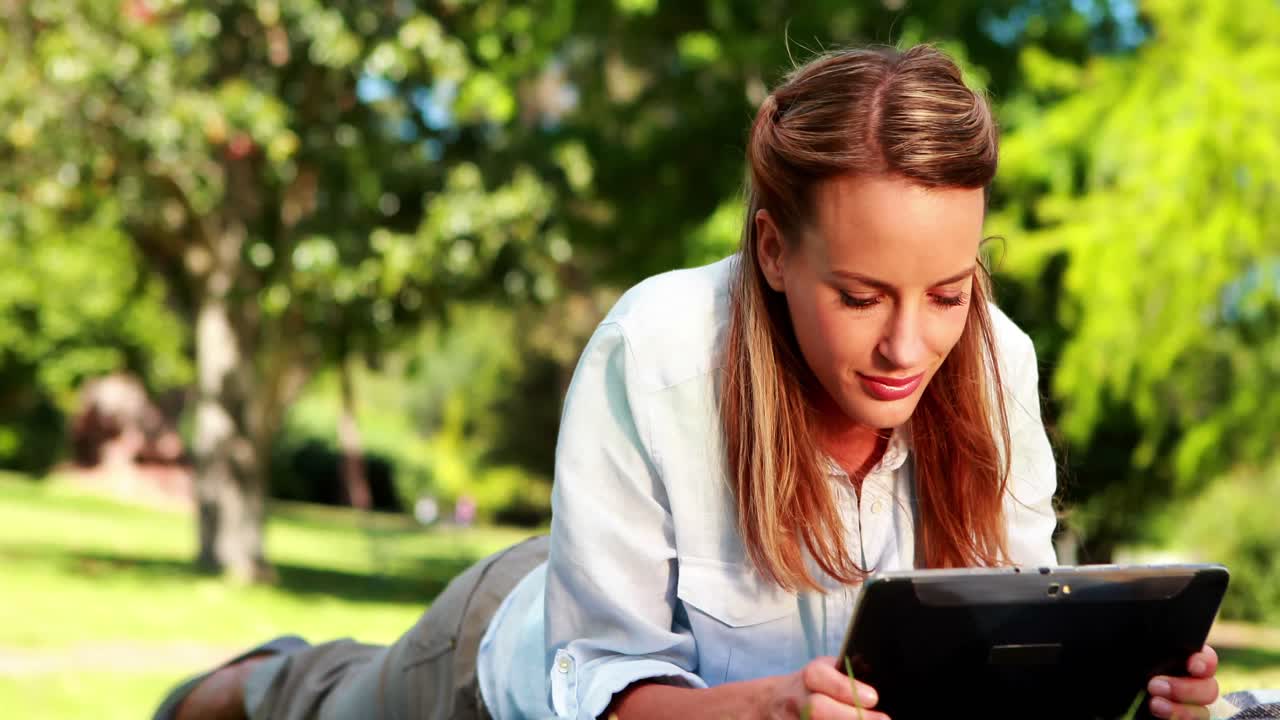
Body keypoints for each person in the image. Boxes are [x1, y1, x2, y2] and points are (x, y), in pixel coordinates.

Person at [155, 45, 1223, 720]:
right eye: (858, 296)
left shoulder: (997, 363)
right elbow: (596, 680)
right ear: (771, 251)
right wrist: (763, 714)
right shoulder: (657, 346)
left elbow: (1012, 636)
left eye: (946, 293)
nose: (909, 346)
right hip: (521, 657)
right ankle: (246, 680)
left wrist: (1135, 685)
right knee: (327, 705)